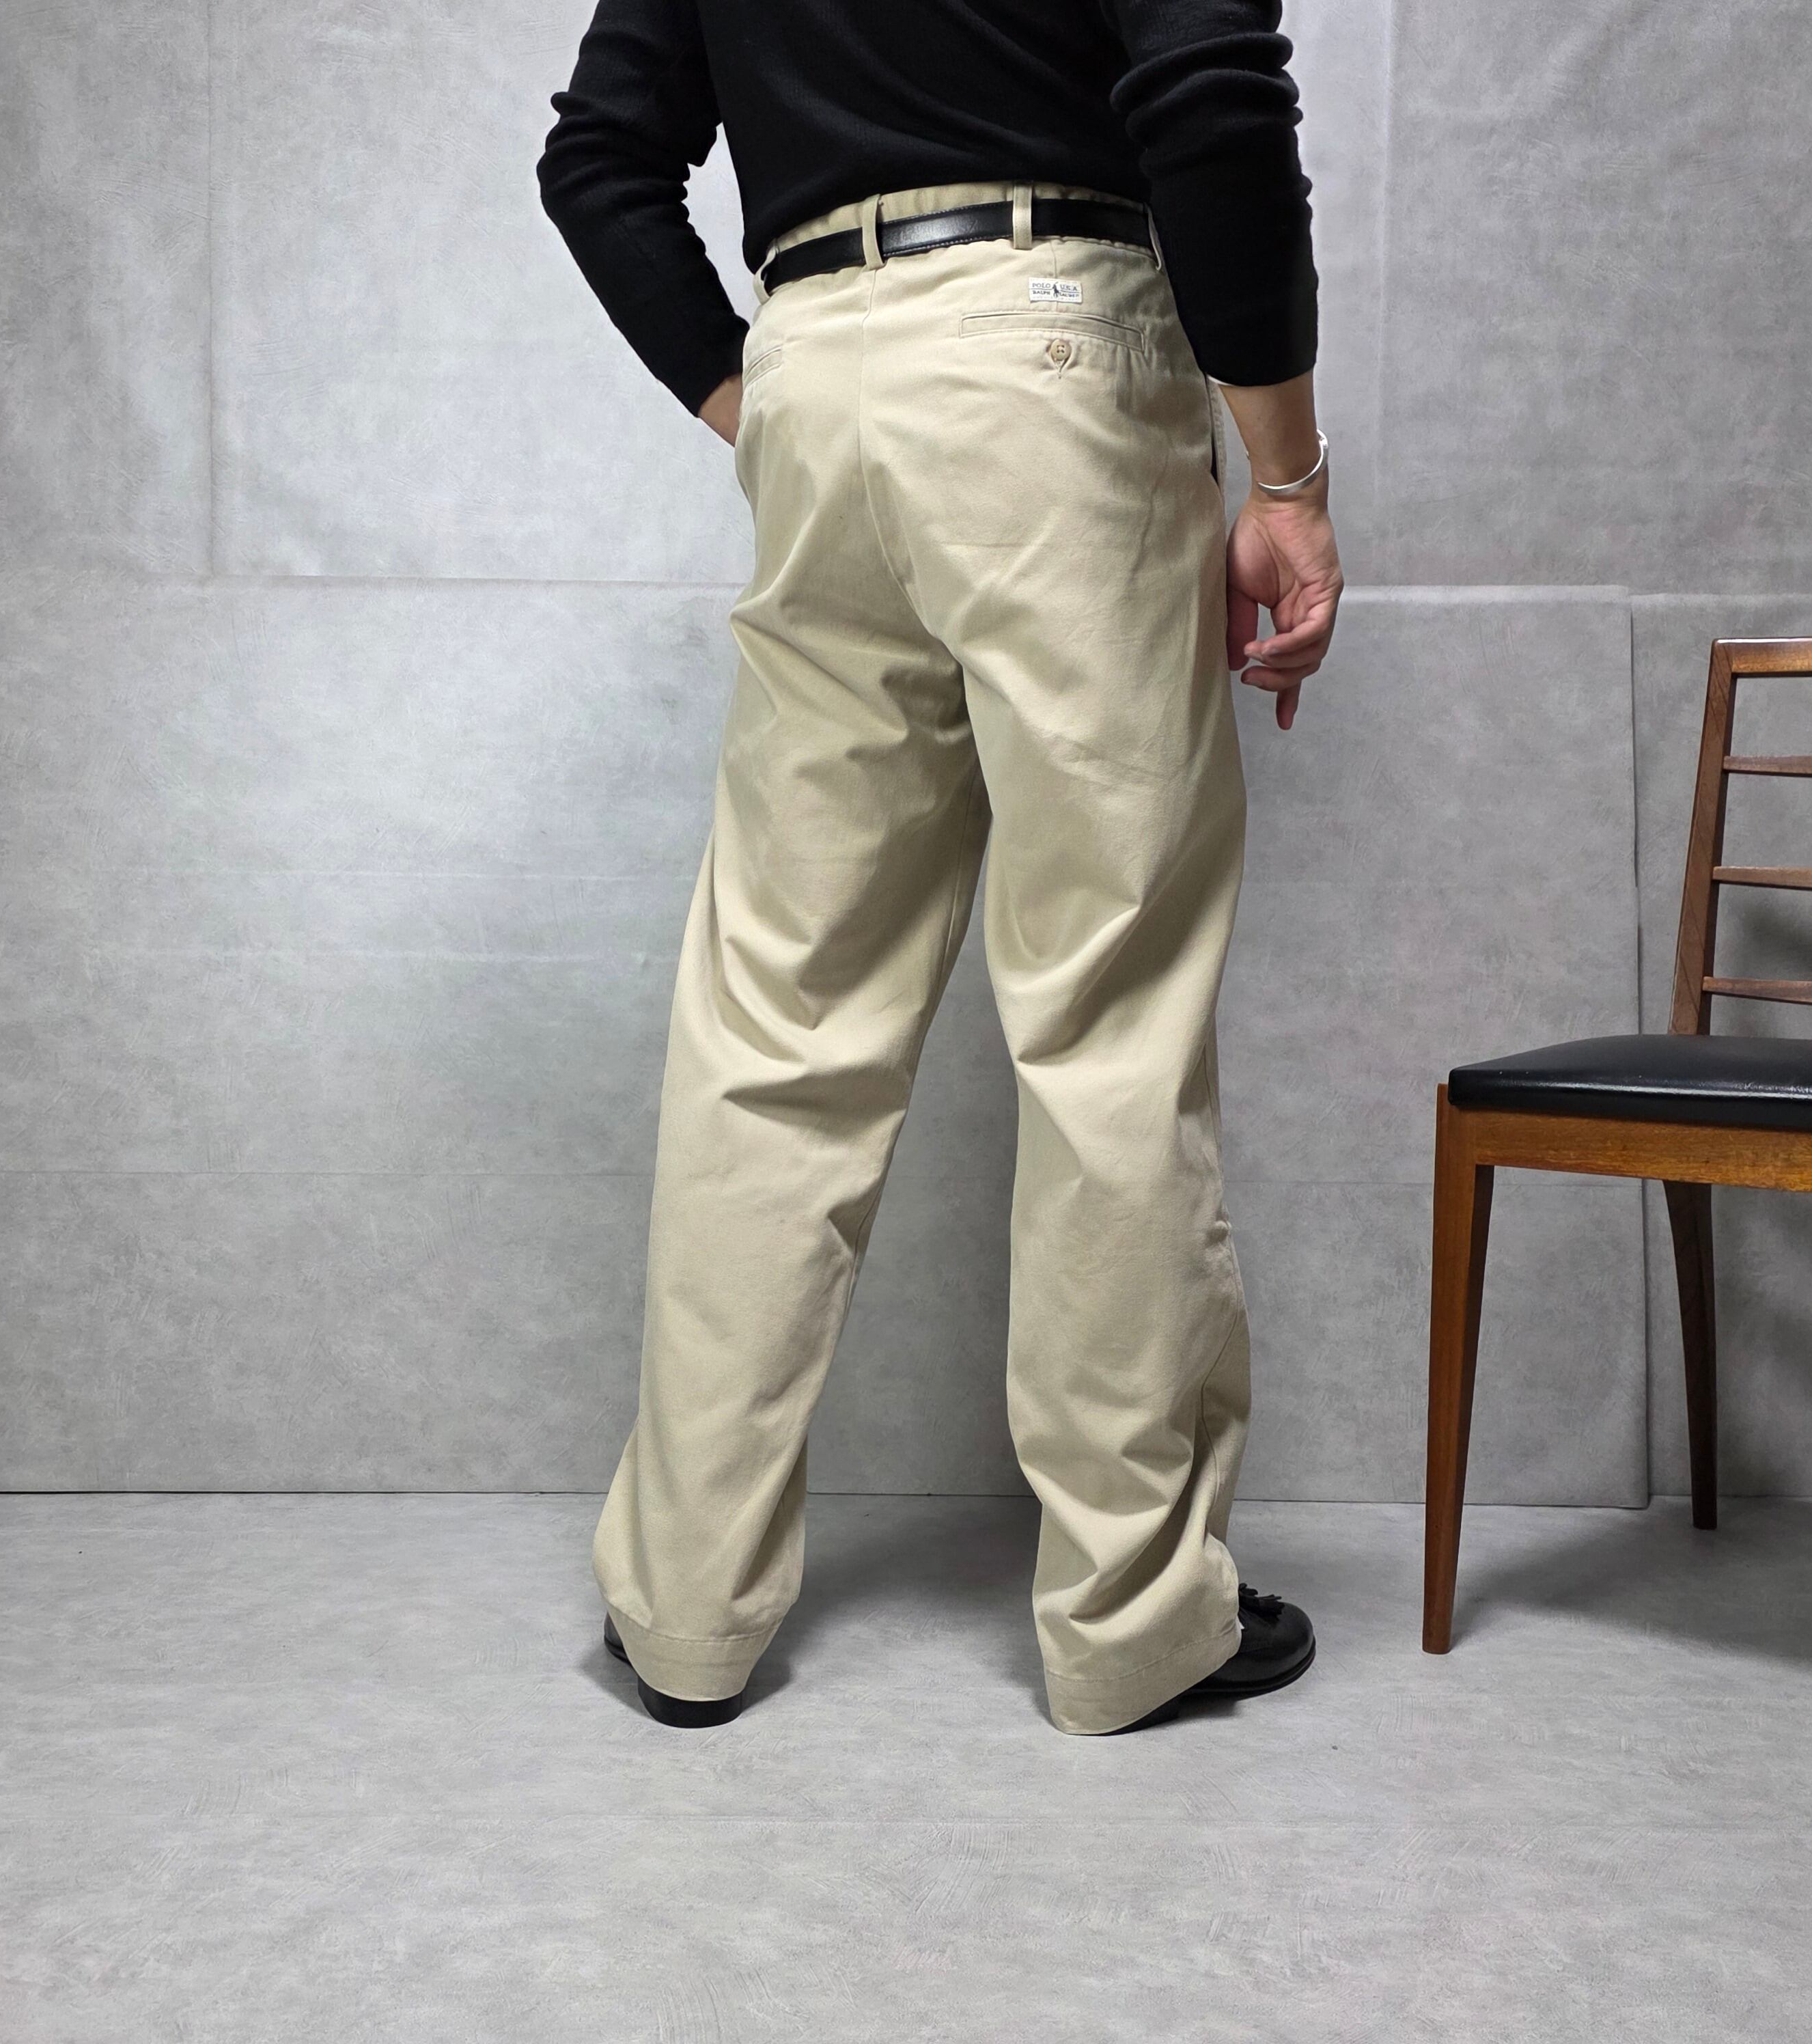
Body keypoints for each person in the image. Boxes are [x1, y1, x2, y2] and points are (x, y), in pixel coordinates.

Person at [536, 0, 1343, 1735]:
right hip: (1051, 351)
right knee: (1105, 1019)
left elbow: (598, 159)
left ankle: (683, 1608)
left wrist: (772, 399)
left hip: (815, 362)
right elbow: (1204, 88)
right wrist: (1285, 473)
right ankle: (1132, 1620)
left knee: (777, 1022)